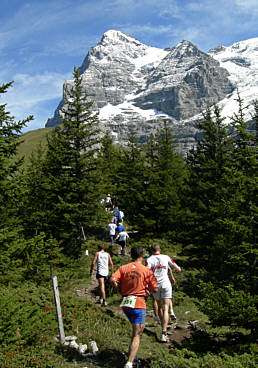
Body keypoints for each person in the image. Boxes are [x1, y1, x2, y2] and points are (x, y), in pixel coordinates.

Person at [110, 246, 159, 368]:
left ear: (131, 255)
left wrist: (119, 289)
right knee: (138, 334)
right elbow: (155, 288)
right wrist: (149, 290)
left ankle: (132, 355)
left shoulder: (123, 268)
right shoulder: (146, 270)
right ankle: (130, 363)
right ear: (142, 256)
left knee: (135, 331)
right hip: (139, 303)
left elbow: (112, 279)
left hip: (126, 302)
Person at [146, 243, 181, 342]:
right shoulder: (166, 257)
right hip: (166, 284)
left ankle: (163, 327)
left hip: (155, 285)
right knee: (166, 308)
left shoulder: (149, 259)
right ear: (159, 249)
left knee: (160, 306)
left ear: (151, 251)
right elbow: (177, 268)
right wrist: (177, 271)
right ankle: (164, 332)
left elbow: (146, 272)